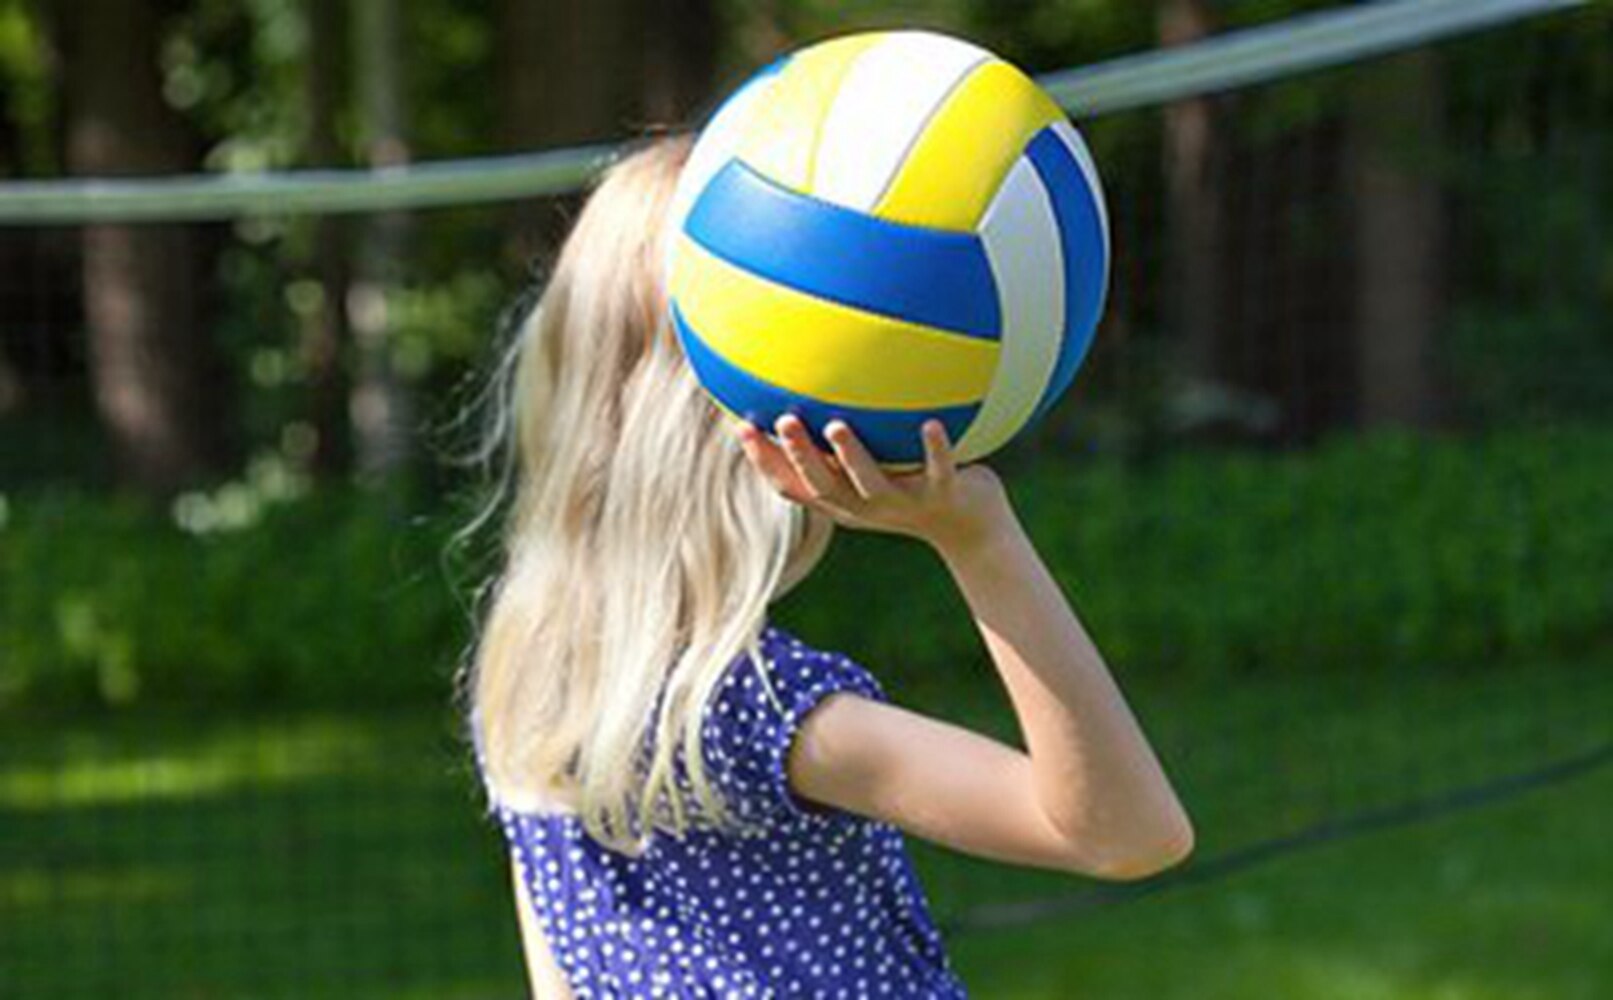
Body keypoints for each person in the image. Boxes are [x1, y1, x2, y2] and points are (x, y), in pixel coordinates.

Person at [459, 135, 1194, 999]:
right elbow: (1125, 833)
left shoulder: (529, 692)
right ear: (748, 428)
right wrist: (980, 541)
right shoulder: (765, 713)